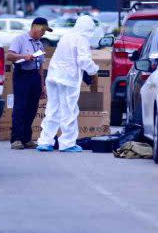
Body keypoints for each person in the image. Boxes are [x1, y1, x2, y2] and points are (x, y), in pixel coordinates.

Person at [36, 15, 100, 152]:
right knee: (69, 110)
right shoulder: (82, 39)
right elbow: (83, 61)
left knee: (52, 109)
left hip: (53, 76)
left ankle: (45, 141)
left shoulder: (66, 36)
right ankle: (67, 143)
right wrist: (94, 70)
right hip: (68, 79)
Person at [7, 17, 52, 150]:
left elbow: (40, 66)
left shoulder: (39, 44)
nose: (44, 33)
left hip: (35, 77)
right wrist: (24, 57)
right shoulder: (20, 39)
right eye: (43, 30)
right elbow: (9, 56)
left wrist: (42, 85)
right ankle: (16, 138)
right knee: (20, 107)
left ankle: (26, 138)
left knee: (32, 108)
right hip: (22, 76)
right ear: (34, 27)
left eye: (45, 31)